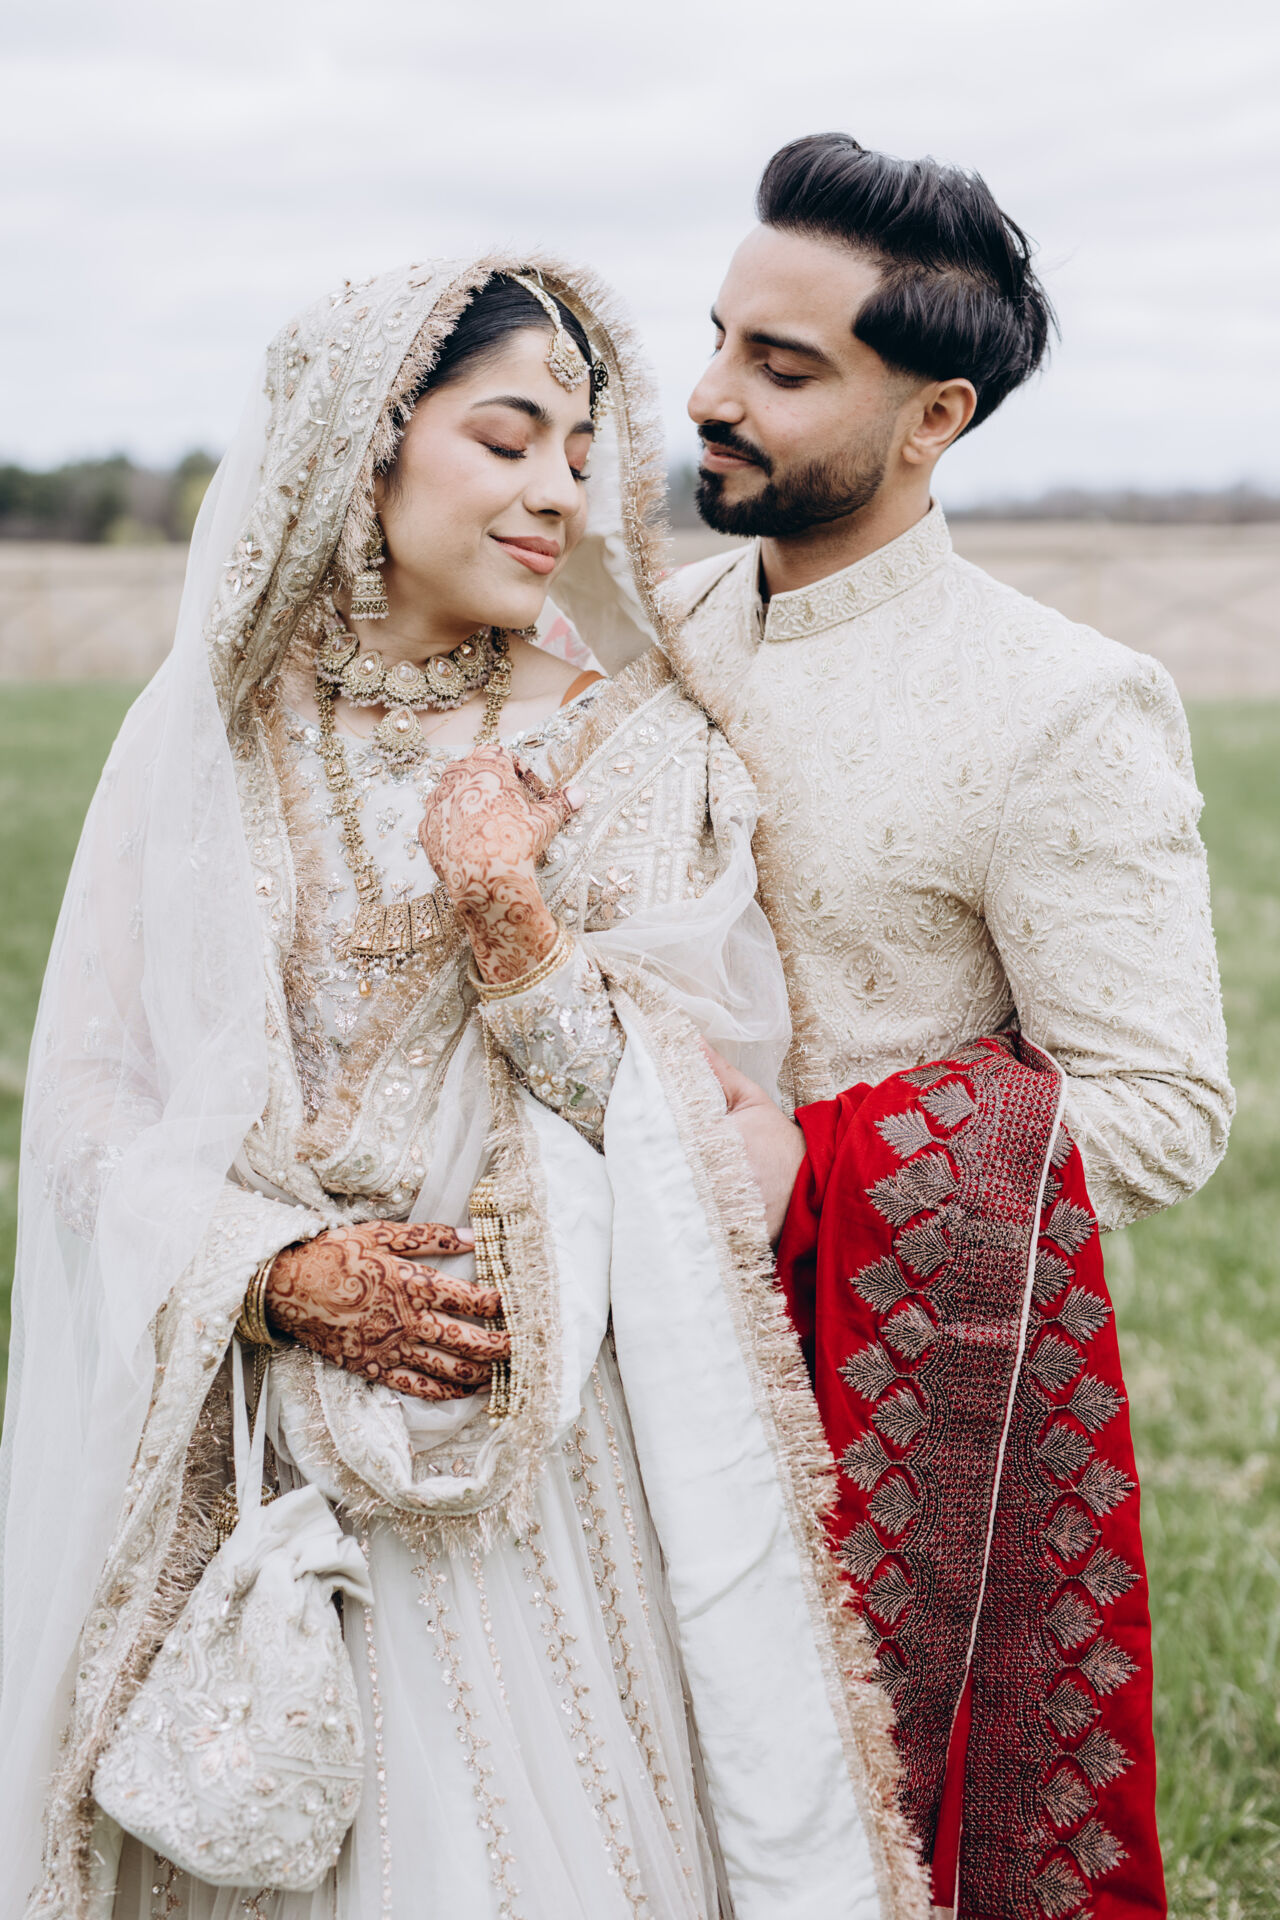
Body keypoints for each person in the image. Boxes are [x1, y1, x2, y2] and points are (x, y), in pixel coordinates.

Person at [0, 259, 929, 1919]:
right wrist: (274, 1274)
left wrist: (511, 920)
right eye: (507, 441)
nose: (557, 492)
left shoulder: (632, 752)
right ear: (362, 450)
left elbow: (705, 1143)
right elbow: (85, 1109)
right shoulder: (215, 737)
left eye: (579, 451)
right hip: (259, 1442)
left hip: (535, 1457)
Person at [661, 135, 1234, 1920]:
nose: (710, 396)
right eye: (719, 339)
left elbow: (1163, 1107)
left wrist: (823, 1161)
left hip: (870, 1390)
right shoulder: (651, 636)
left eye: (783, 366)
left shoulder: (1060, 704)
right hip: (612, 1331)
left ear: (934, 418)